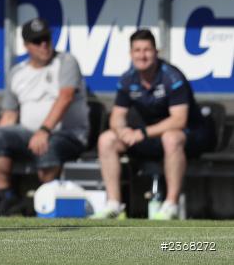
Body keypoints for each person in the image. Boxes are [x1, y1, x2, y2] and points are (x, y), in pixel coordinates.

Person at [92, 29, 216, 220]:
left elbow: (179, 120)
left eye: (147, 50)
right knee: (106, 139)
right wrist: (122, 131)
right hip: (150, 137)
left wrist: (142, 133)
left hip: (190, 135)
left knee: (171, 138)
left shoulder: (172, 77)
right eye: (137, 50)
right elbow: (117, 116)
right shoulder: (127, 79)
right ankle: (114, 205)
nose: (142, 55)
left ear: (156, 52)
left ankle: (171, 205)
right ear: (131, 54)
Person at [0, 17, 89, 216]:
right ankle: (6, 198)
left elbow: (65, 97)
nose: (44, 45)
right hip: (29, 134)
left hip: (68, 134)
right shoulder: (17, 72)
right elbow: (9, 115)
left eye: (46, 38)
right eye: (37, 41)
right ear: (26, 45)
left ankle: (47, 204)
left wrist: (44, 130)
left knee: (49, 145)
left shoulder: (66, 61)